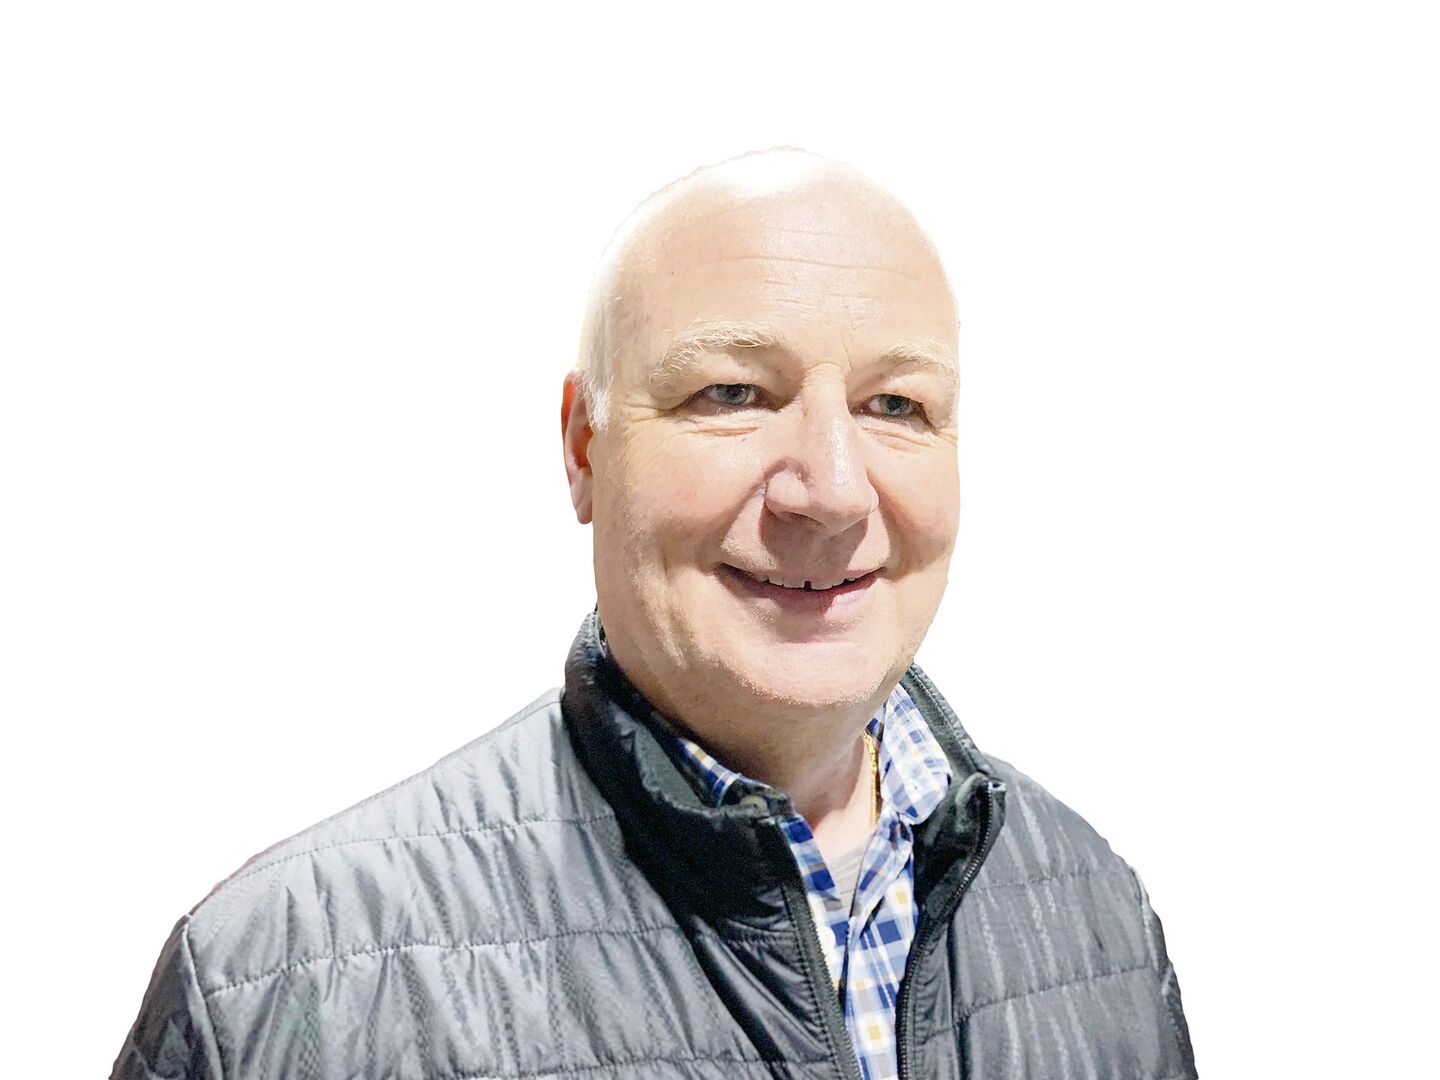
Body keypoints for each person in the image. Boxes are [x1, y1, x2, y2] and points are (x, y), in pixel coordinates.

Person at [113, 149, 1197, 1080]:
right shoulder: (286, 982)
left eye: (896, 406)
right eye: (731, 394)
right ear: (583, 447)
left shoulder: (1095, 915)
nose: (831, 489)